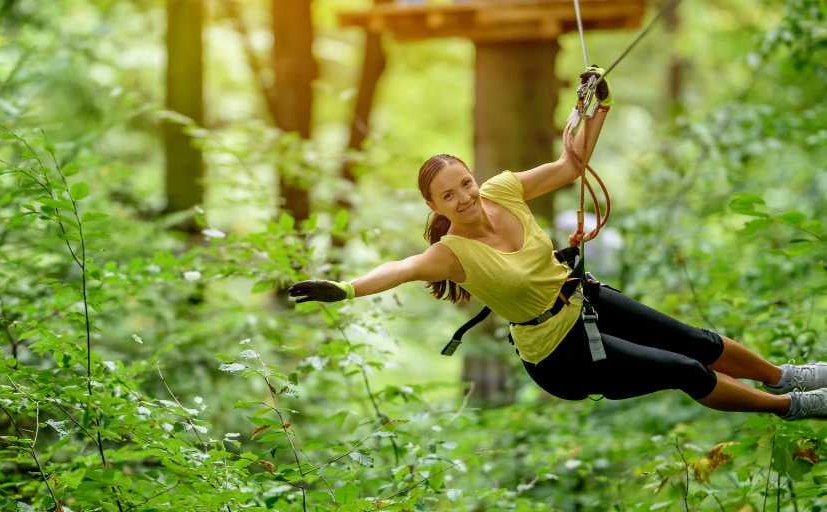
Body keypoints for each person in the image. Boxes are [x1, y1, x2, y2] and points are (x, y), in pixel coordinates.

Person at [289, 68, 826, 420]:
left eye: (465, 184)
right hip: (560, 354)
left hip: (581, 299)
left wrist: (595, 110)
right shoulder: (449, 254)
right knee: (686, 372)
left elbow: (571, 165)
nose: (464, 197)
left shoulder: (502, 189)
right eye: (448, 196)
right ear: (436, 208)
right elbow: (400, 268)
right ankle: (793, 407)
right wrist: (345, 288)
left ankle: (785, 376)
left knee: (698, 342)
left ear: (475, 179)